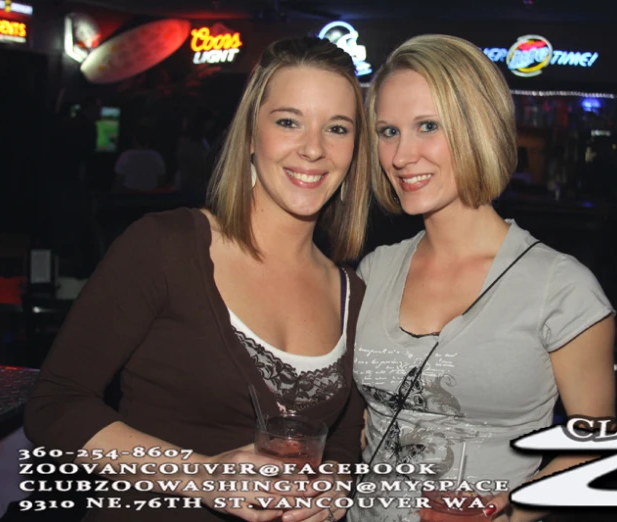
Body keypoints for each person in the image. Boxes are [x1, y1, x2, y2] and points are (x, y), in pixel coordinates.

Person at [24, 36, 372, 522]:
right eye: (288, 122)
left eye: (337, 128)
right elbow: (55, 405)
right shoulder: (166, 247)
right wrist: (202, 476)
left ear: (356, 149)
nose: (313, 148)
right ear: (251, 135)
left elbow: (341, 446)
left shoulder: (355, 295)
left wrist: (335, 486)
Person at [350, 35, 615, 522]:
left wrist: (514, 507)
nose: (402, 155)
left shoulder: (561, 288)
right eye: (388, 131)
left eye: (427, 126)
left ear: (479, 130)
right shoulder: (376, 270)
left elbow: (593, 445)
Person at [112, 123, 166, 193]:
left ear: (134, 139)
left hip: (129, 197)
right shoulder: (156, 156)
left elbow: (119, 180)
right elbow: (161, 181)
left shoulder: (126, 156)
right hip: (151, 197)